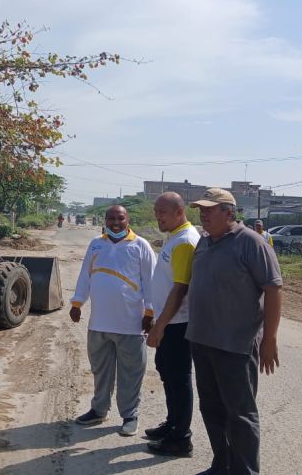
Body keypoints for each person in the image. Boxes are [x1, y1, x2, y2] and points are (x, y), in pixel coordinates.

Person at [186, 189, 283, 475]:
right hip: (202, 340)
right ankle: (222, 463)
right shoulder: (203, 243)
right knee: (211, 408)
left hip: (235, 345)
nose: (203, 214)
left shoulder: (251, 243)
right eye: (201, 209)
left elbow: (274, 288)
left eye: (209, 209)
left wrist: (270, 339)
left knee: (240, 415)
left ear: (229, 212)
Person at [69, 205, 156, 437]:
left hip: (130, 325)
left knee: (131, 372)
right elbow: (85, 275)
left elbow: (151, 283)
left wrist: (150, 313)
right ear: (105, 220)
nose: (115, 222)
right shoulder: (96, 244)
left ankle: (130, 415)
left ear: (128, 220)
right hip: (98, 324)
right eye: (111, 218)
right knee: (100, 371)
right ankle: (98, 410)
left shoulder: (140, 246)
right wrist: (77, 302)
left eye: (120, 218)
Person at [144, 192, 201, 457]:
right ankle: (172, 423)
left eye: (162, 212)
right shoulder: (175, 238)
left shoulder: (186, 242)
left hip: (178, 324)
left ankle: (181, 438)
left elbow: (179, 290)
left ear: (179, 212)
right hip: (169, 321)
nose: (158, 216)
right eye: (156, 211)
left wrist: (160, 326)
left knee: (179, 379)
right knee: (167, 374)